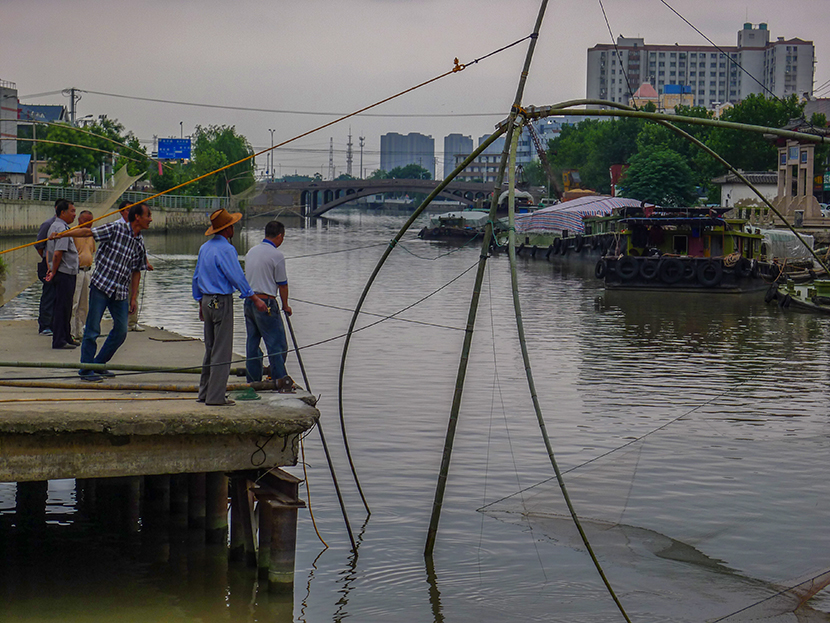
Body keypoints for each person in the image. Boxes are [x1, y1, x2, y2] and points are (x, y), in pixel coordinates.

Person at [50, 202, 152, 382]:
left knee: (121, 331)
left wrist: (133, 297)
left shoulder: (139, 242)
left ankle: (97, 364)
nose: (150, 219)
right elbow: (87, 232)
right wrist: (62, 235)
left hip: (120, 291)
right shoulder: (116, 229)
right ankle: (86, 369)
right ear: (138, 217)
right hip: (101, 286)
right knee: (92, 330)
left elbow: (136, 271)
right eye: (148, 215)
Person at [192, 208, 267, 406]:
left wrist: (200, 302)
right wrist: (254, 298)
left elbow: (196, 277)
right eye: (232, 225)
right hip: (221, 301)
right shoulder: (226, 249)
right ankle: (216, 397)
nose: (234, 228)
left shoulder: (204, 248)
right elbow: (236, 277)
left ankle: (204, 392)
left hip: (207, 300)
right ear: (228, 229)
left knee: (210, 348)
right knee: (222, 351)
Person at [244, 220, 293, 385]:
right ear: (279, 236)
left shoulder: (251, 252)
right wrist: (285, 305)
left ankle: (253, 379)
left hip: (250, 302)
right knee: (277, 344)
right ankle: (279, 378)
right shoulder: (277, 255)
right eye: (283, 237)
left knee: (252, 342)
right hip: (266, 304)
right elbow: (282, 284)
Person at [44, 200, 79, 349]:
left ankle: (66, 336)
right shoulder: (60, 229)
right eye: (72, 211)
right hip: (64, 273)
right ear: (62, 212)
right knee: (62, 307)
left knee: (66, 306)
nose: (74, 214)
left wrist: (51, 269)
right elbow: (57, 254)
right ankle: (59, 340)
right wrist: (53, 271)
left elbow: (48, 253)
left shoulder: (58, 227)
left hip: (65, 272)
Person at [117, 199, 153, 332]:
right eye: (127, 209)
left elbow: (140, 250)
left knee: (134, 293)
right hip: (118, 272)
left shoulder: (138, 232)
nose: (129, 212)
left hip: (132, 268)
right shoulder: (117, 227)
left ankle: (132, 322)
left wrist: (146, 263)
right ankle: (119, 323)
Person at [34, 199, 62, 336]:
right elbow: (39, 246)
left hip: (59, 265)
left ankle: (54, 323)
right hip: (48, 264)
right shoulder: (48, 224)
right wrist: (48, 260)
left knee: (58, 295)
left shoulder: (65, 226)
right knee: (48, 294)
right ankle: (44, 325)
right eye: (71, 211)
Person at [70, 210, 95, 342]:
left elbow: (92, 251)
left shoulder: (91, 235)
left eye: (91, 221)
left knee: (84, 304)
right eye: (87, 221)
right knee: (74, 302)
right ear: (80, 221)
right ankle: (72, 331)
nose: (90, 224)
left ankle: (81, 330)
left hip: (88, 270)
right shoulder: (73, 233)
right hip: (76, 271)